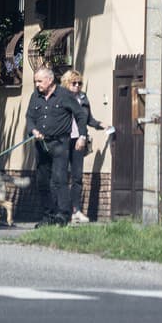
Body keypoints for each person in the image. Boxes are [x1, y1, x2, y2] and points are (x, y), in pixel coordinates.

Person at [25, 66, 89, 226]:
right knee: (42, 181)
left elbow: (80, 115)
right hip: (41, 144)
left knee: (59, 179)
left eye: (39, 81)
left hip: (60, 143)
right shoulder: (35, 96)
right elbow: (29, 117)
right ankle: (48, 215)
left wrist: (82, 136)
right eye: (35, 81)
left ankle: (63, 215)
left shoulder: (64, 95)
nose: (37, 84)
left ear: (50, 80)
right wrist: (33, 130)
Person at [60, 69, 114, 224]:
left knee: (77, 177)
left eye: (79, 83)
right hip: (63, 140)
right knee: (61, 177)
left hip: (79, 140)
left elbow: (88, 119)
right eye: (74, 83)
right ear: (66, 83)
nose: (77, 86)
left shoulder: (83, 98)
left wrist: (100, 124)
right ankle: (62, 211)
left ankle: (76, 210)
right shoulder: (61, 98)